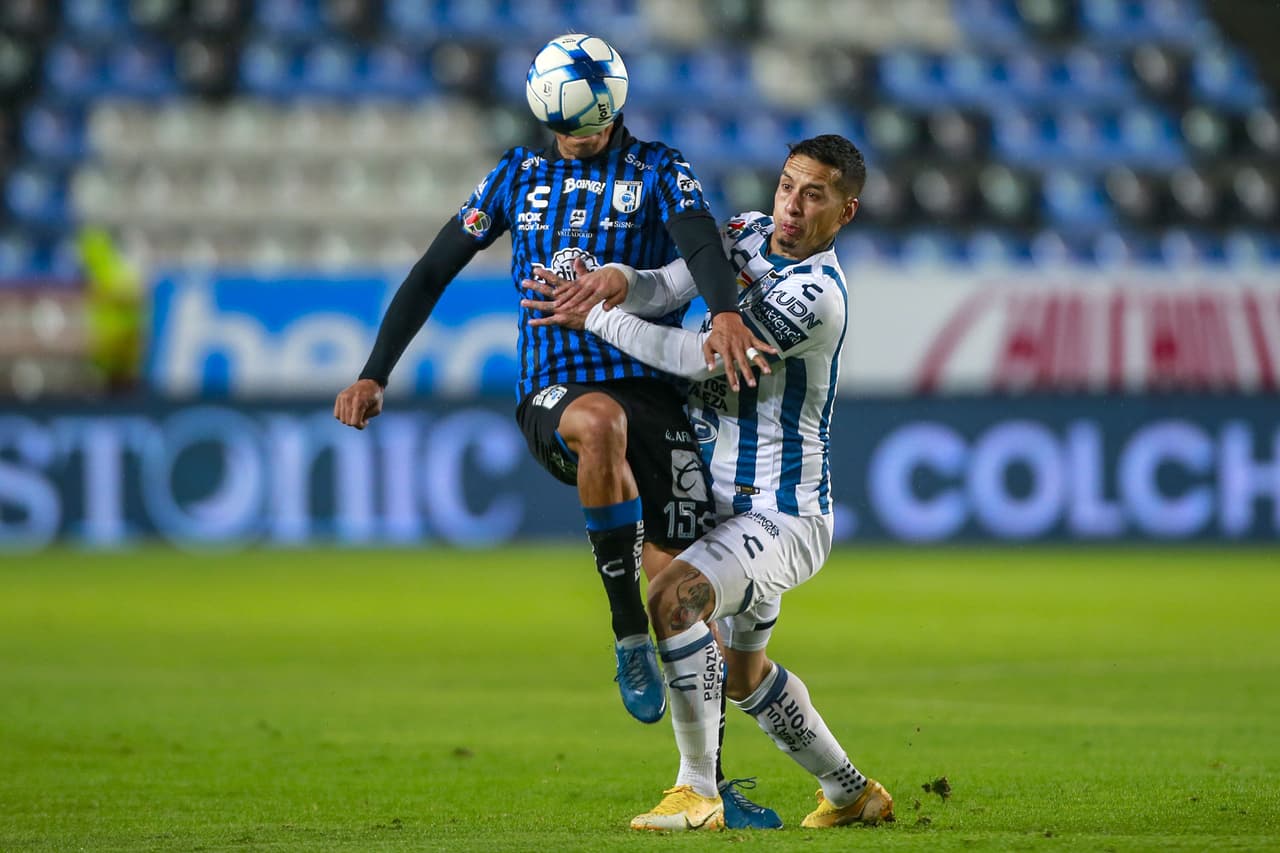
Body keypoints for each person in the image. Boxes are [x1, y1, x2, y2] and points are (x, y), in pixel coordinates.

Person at [332, 34, 768, 729]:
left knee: (685, 607)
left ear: (614, 112)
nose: (576, 141)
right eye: (563, 129)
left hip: (657, 395)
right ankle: (627, 636)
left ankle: (709, 783)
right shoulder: (515, 174)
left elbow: (699, 243)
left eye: (590, 128)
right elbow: (431, 271)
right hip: (555, 390)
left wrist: (722, 313)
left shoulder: (660, 168)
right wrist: (373, 372)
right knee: (599, 423)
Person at [522, 134, 894, 831]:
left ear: (845, 212)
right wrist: (616, 281)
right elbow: (669, 283)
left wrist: (597, 318)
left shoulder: (817, 296)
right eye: (788, 185)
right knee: (744, 673)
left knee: (670, 600)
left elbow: (700, 358)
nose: (791, 206)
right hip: (718, 501)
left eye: (815, 195)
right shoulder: (747, 232)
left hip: (781, 515)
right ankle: (852, 792)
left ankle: (697, 790)